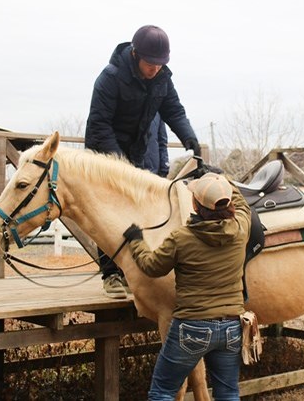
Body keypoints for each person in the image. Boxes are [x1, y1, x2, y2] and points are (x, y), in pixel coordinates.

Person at [85, 24, 201, 298]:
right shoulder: (110, 78)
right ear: (136, 55)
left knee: (139, 207)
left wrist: (190, 140)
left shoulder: (162, 78)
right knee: (110, 210)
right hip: (104, 149)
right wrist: (119, 166)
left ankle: (132, 269)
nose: (155, 69)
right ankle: (111, 274)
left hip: (136, 148)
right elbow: (99, 125)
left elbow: (174, 110)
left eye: (161, 64)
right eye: (151, 64)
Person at [122, 172, 251, 400]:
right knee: (229, 393)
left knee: (162, 392)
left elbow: (152, 266)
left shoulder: (182, 238)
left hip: (192, 327)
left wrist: (136, 241)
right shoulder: (240, 230)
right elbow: (244, 208)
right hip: (232, 327)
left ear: (195, 204)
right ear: (229, 202)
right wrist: (225, 181)